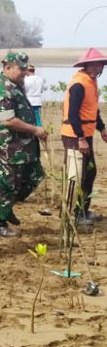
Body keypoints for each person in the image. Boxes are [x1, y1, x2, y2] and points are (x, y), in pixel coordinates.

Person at [0, 53, 46, 237]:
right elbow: (8, 120)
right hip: (9, 147)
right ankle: (0, 224)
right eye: (21, 69)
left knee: (34, 175)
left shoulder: (16, 86)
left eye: (25, 69)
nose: (25, 72)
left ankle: (6, 208)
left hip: (23, 146)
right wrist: (35, 130)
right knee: (7, 185)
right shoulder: (2, 89)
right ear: (7, 68)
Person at [61, 48, 107, 227]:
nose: (96, 68)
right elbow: (73, 113)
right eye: (93, 64)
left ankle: (83, 210)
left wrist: (102, 128)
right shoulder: (79, 84)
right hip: (74, 136)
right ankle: (72, 214)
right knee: (76, 176)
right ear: (86, 65)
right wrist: (80, 137)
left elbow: (92, 110)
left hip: (86, 135)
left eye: (99, 65)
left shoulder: (91, 82)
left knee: (90, 173)